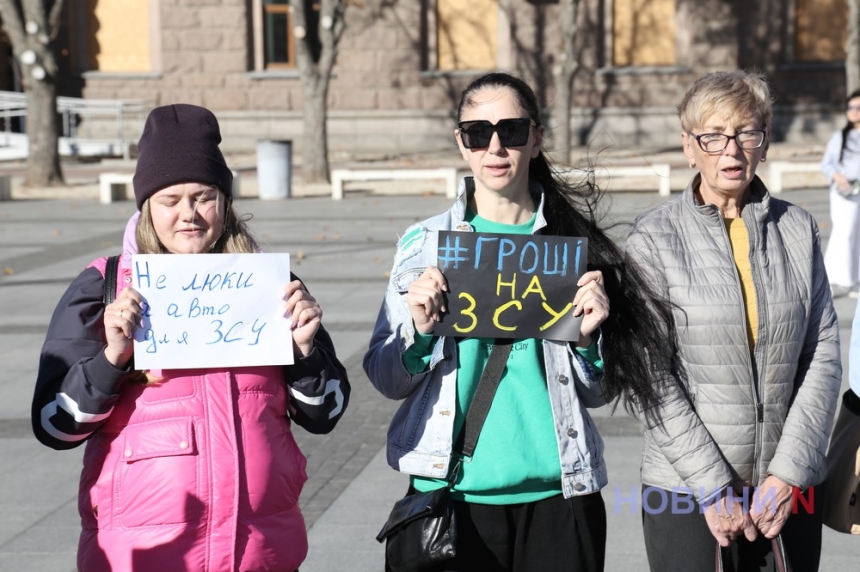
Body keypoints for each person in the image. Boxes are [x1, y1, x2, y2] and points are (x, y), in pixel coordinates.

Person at [364, 72, 680, 571]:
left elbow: (597, 393)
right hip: (451, 501)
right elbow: (386, 377)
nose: (495, 146)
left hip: (558, 496)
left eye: (511, 130)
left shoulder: (571, 246)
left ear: (536, 138)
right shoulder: (423, 243)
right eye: (477, 133)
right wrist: (420, 335)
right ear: (461, 143)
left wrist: (589, 341)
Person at [32, 104, 350, 572]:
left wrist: (304, 355)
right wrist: (112, 359)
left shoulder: (270, 287)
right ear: (145, 207)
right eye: (170, 200)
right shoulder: (103, 286)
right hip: (146, 555)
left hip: (259, 550)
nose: (189, 215)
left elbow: (327, 413)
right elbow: (54, 426)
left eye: (203, 196)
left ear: (225, 201)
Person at [626, 71, 842, 571]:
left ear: (764, 142)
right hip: (686, 492)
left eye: (747, 133)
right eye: (714, 136)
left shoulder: (798, 227)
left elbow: (822, 354)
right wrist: (711, 484)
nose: (732, 150)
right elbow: (650, 375)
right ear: (689, 145)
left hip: (784, 492)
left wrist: (788, 474)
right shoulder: (653, 238)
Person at [821, 89, 860, 298]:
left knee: (856, 235)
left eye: (858, 108)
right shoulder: (840, 136)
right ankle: (841, 280)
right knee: (844, 232)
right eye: (850, 107)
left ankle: (853, 278)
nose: (853, 112)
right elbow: (826, 164)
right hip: (844, 193)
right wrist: (837, 177)